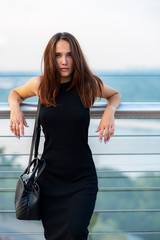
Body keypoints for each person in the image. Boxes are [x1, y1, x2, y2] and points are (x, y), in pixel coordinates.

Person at [8, 32, 121, 240]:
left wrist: (109, 112)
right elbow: (15, 93)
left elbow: (115, 95)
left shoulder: (88, 84)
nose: (64, 61)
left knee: (75, 232)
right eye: (58, 55)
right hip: (50, 180)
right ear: (51, 58)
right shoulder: (40, 85)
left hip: (81, 179)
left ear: (76, 57)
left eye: (69, 55)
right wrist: (15, 107)